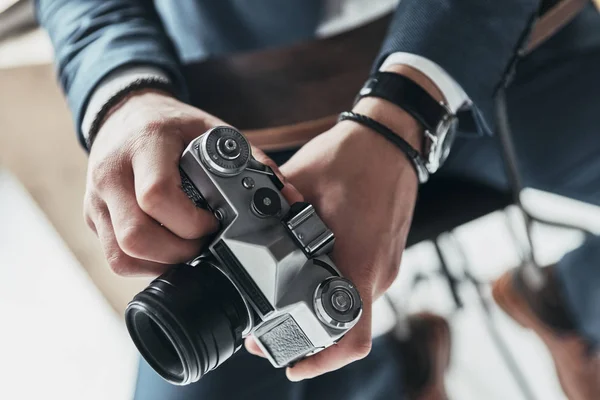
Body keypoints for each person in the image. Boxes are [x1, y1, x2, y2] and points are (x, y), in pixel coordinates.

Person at [37, 0, 600, 399]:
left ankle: (568, 297)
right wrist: (124, 98)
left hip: (500, 54)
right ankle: (396, 372)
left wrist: (405, 112)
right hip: (250, 114)